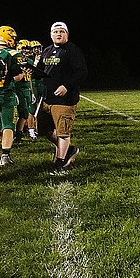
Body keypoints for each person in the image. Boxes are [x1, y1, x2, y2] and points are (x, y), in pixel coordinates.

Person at [30, 21, 88, 175]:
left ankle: (60, 163)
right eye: (55, 31)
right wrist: (32, 68)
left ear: (67, 34)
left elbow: (82, 72)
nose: (58, 34)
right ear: (51, 35)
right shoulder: (47, 51)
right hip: (47, 99)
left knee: (63, 132)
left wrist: (66, 86)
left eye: (62, 31)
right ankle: (69, 150)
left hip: (64, 100)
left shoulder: (72, 50)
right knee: (44, 130)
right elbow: (41, 71)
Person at [0, 25, 24, 166]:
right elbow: (17, 78)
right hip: (6, 94)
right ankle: (5, 156)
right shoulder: (13, 54)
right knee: (8, 125)